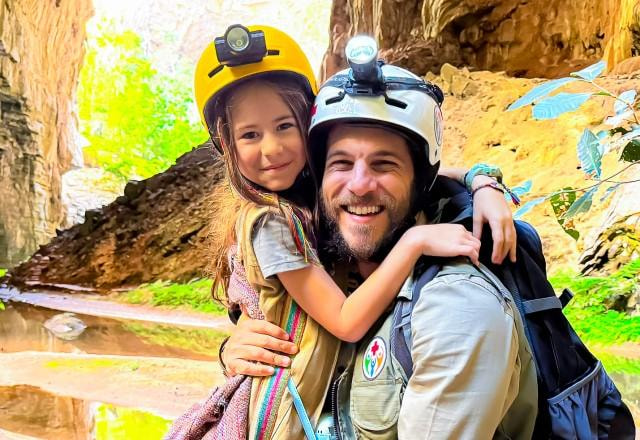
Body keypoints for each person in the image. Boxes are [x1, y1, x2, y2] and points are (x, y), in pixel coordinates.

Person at [221, 33, 538, 439]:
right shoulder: (301, 231)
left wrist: (483, 181)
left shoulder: (455, 307)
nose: (359, 185)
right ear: (319, 175)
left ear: (421, 179)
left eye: (384, 164)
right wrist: (236, 349)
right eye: (340, 163)